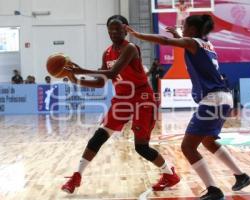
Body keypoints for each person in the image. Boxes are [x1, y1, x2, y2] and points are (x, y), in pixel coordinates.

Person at [126, 14, 250, 200]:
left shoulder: (193, 43)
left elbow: (163, 40)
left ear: (192, 30)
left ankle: (213, 190)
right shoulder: (207, 45)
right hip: (225, 97)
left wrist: (138, 34)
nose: (182, 30)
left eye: (184, 27)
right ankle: (241, 175)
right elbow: (186, 44)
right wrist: (178, 34)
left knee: (187, 147)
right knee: (208, 141)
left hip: (212, 99)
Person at [61, 15, 180, 194]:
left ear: (126, 29)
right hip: (122, 97)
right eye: (110, 30)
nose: (113, 32)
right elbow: (101, 81)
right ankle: (76, 176)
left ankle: (169, 173)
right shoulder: (107, 52)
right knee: (98, 137)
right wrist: (75, 79)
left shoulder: (131, 48)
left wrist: (81, 70)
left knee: (141, 147)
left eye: (117, 29)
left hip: (142, 96)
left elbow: (112, 72)